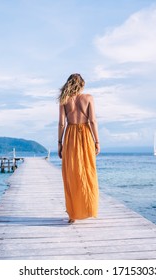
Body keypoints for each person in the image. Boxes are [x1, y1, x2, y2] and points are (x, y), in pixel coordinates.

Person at [57, 73, 100, 224]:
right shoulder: (88, 98)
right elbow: (93, 121)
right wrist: (97, 141)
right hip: (86, 135)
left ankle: (72, 215)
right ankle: (88, 208)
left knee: (71, 175)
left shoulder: (64, 100)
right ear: (82, 84)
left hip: (69, 136)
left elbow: (62, 123)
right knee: (88, 172)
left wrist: (60, 142)